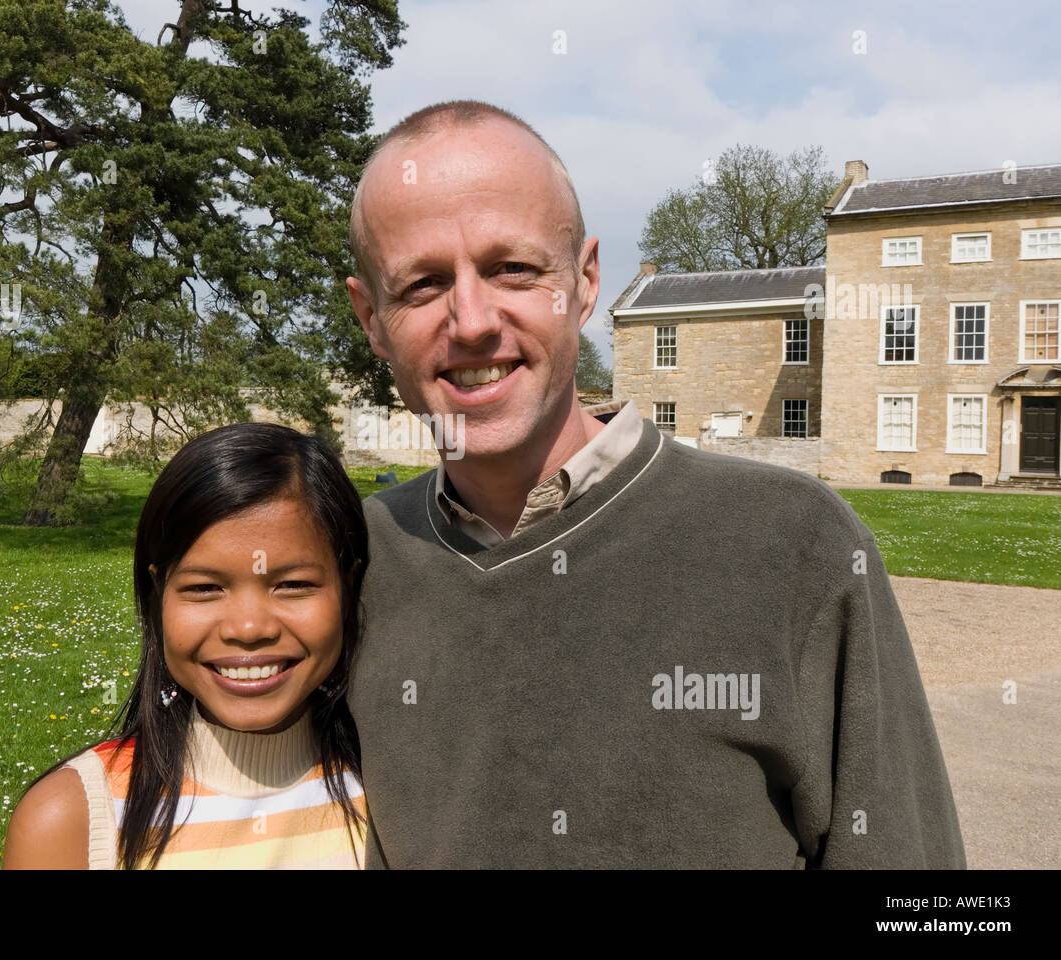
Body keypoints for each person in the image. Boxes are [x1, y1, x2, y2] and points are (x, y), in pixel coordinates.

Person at [344, 100, 966, 868]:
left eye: (513, 268)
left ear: (584, 280)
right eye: (423, 284)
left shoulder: (792, 542)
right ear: (369, 318)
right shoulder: (342, 563)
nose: (472, 320)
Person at [3, 423, 369, 869]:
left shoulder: (398, 791)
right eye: (204, 588)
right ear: (158, 595)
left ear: (348, 588)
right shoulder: (72, 819)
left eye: (293, 584)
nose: (249, 628)